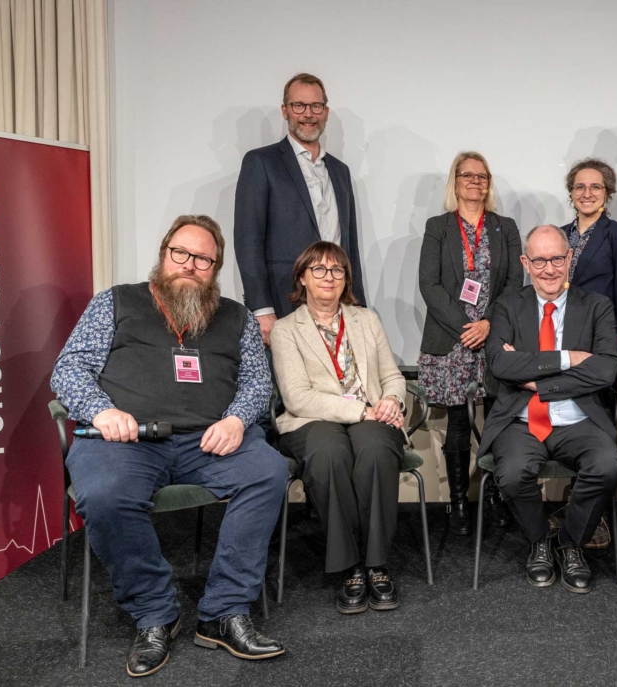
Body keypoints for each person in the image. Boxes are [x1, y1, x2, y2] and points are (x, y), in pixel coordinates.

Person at [51, 215, 287, 677]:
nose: (190, 265)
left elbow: (258, 383)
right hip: (127, 439)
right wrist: (102, 411)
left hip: (209, 439)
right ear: (164, 254)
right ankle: (155, 612)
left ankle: (224, 612)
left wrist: (237, 419)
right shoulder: (115, 302)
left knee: (268, 472)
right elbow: (69, 368)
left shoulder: (237, 317)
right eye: (181, 253)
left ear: (215, 269)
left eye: (203, 260)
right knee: (105, 494)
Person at [480, 225, 617, 593]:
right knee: (512, 473)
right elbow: (500, 364)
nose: (549, 269)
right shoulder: (507, 306)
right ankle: (540, 540)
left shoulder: (597, 306)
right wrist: (568, 358)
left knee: (607, 466)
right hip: (521, 419)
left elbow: (606, 368)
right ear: (525, 263)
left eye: (557, 259)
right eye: (540, 260)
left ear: (569, 258)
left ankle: (571, 543)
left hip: (579, 418)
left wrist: (536, 379)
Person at [270, 241, 407, 615]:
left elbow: (392, 376)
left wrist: (391, 400)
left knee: (376, 450)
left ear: (346, 278)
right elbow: (297, 397)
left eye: (337, 270)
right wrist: (362, 411)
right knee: (329, 455)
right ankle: (350, 567)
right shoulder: (285, 329)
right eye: (318, 269)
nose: (328, 277)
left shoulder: (366, 319)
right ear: (302, 277)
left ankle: (376, 563)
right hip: (314, 419)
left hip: (371, 415)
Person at [418, 151, 522, 535]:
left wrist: (488, 323)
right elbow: (429, 284)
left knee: (496, 420)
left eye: (482, 176)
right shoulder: (438, 226)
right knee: (459, 423)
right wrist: (468, 327)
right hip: (453, 338)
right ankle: (459, 501)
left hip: (494, 336)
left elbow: (514, 283)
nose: (475, 181)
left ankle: (495, 495)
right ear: (456, 181)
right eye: (468, 175)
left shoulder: (505, 227)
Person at [235, 72, 366, 346]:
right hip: (284, 306)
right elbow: (248, 241)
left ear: (326, 112)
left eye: (316, 106)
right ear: (285, 110)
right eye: (299, 105)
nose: (308, 114)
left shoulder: (340, 171)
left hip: (337, 308)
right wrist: (261, 308)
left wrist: (358, 307)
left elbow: (349, 246)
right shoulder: (261, 162)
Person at [555, 158, 617, 547]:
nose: (586, 193)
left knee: (598, 429)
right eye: (579, 186)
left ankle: (596, 516)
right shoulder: (558, 236)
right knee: (568, 426)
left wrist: (615, 353)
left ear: (608, 193)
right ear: (570, 192)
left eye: (595, 187)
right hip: (558, 346)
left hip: (600, 349)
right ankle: (574, 508)